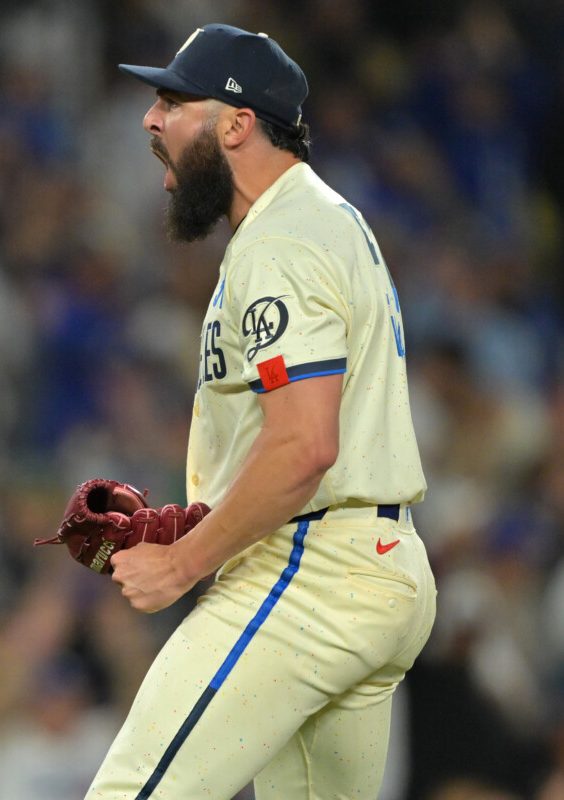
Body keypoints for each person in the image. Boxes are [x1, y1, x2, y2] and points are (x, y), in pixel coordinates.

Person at [91, 24, 438, 799]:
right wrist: (206, 514)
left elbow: (305, 445)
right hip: (372, 565)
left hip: (311, 570)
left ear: (237, 124)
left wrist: (186, 560)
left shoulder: (281, 239)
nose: (150, 120)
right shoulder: (323, 220)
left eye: (174, 101)